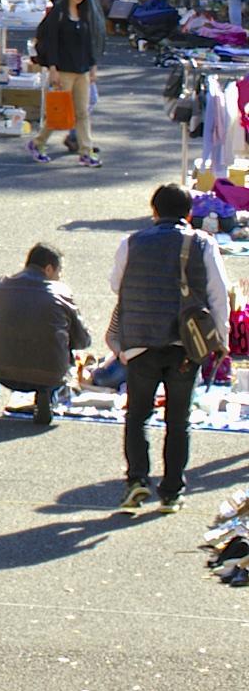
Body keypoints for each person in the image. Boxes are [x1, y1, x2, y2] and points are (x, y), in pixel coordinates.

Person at [108, 184, 234, 511]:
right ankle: (171, 491)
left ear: (154, 211)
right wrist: (220, 339)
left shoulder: (131, 242)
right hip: (185, 345)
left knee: (137, 415)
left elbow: (116, 284)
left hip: (139, 343)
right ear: (189, 214)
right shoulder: (203, 243)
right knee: (178, 421)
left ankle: (137, 480)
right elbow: (218, 294)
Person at [0, 242, 89, 426]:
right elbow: (82, 340)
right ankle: (46, 396)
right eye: (60, 270)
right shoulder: (61, 294)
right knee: (62, 334)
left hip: (0, 370)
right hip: (48, 375)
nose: (61, 276)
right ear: (49, 269)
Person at [32, 0, 101, 166]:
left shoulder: (85, 12)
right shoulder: (59, 12)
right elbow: (51, 41)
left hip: (82, 70)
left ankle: (86, 151)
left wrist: (93, 65)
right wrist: (52, 68)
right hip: (64, 70)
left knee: (82, 112)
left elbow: (89, 41)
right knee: (59, 112)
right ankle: (38, 143)